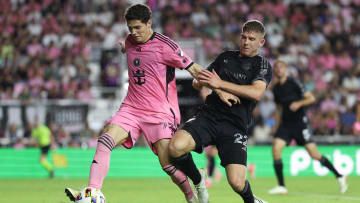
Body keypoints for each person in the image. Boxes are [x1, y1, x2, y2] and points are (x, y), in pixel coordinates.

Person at [65, 4, 217, 203]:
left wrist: (220, 89)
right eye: (130, 28)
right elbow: (130, 48)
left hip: (160, 112)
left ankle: (191, 196)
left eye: (138, 28)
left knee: (167, 164)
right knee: (105, 139)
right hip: (132, 108)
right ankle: (92, 192)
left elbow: (195, 68)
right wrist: (123, 47)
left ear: (149, 23)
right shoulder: (129, 41)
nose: (134, 33)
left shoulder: (166, 46)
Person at [169, 20, 272, 203]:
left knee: (237, 183)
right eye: (244, 37)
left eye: (251, 38)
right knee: (175, 147)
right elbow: (197, 82)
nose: (246, 42)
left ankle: (252, 201)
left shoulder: (262, 65)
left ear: (261, 42)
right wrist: (208, 84)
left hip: (235, 126)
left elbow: (256, 92)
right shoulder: (225, 58)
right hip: (209, 117)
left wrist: (220, 84)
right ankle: (199, 180)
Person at [268, 60, 348, 195]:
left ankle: (339, 175)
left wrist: (299, 103)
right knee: (276, 149)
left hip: (300, 124)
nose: (278, 69)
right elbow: (278, 108)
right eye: (276, 68)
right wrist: (276, 126)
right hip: (285, 125)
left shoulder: (294, 82)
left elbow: (311, 98)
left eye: (281, 67)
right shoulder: (275, 88)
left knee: (314, 154)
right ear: (274, 71)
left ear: (286, 69)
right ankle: (281, 186)